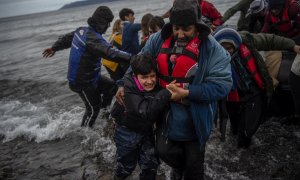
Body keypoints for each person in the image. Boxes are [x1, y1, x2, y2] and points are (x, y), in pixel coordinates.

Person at [116, 0, 232, 179]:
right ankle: (179, 168)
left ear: (197, 26)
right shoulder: (157, 39)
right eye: (176, 28)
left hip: (197, 116)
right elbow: (138, 62)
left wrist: (188, 93)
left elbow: (222, 85)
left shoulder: (213, 49)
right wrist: (123, 83)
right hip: (166, 113)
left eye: (187, 29)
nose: (180, 34)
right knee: (163, 152)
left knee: (194, 170)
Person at [42, 6, 131, 128]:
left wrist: (54, 48)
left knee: (111, 86)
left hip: (91, 77)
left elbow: (67, 39)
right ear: (101, 22)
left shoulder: (81, 31)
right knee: (93, 108)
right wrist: (133, 57)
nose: (109, 26)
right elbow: (110, 53)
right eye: (107, 23)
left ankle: (105, 114)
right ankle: (85, 132)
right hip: (81, 82)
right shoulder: (92, 39)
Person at [213, 27, 300, 148]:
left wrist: (292, 46)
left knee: (245, 135)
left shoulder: (247, 40)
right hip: (232, 98)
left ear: (235, 45)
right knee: (234, 131)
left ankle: (245, 150)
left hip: (253, 92)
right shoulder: (211, 55)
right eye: (222, 49)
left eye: (229, 48)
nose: (226, 52)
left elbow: (269, 40)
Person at [111, 53, 173, 180]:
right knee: (126, 166)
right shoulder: (128, 88)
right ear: (135, 76)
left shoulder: (154, 85)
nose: (150, 81)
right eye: (144, 77)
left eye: (152, 76)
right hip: (126, 132)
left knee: (151, 164)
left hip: (146, 131)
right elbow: (145, 112)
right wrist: (166, 93)